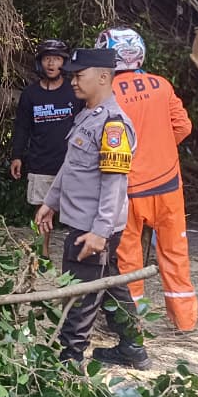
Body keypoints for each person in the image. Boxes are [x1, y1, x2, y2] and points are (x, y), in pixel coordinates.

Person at [35, 47, 147, 369]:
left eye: (78, 75)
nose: (72, 81)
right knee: (110, 285)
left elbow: (115, 185)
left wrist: (98, 233)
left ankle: (70, 364)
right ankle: (133, 348)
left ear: (102, 76)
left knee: (79, 296)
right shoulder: (87, 116)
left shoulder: (113, 126)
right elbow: (72, 168)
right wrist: (51, 202)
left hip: (91, 230)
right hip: (89, 224)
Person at [97, 26, 197, 332]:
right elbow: (183, 127)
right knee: (175, 252)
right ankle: (184, 322)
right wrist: (161, 147)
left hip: (128, 189)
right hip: (168, 186)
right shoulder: (162, 85)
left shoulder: (108, 92)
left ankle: (132, 322)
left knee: (128, 258)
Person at [10, 38, 82, 256]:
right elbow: (22, 127)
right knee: (41, 210)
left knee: (76, 210)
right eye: (47, 59)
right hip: (40, 161)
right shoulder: (31, 94)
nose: (52, 64)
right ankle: (43, 254)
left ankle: (78, 254)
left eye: (57, 59)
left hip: (70, 162)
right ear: (40, 63)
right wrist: (17, 156)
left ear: (64, 62)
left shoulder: (74, 92)